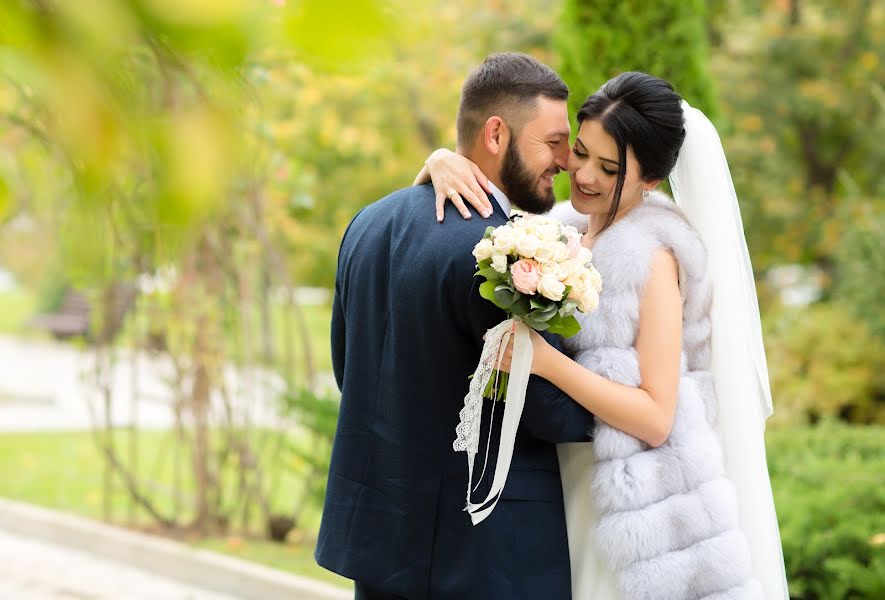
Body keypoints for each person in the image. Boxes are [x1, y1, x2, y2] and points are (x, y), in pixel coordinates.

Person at [422, 72, 789, 599]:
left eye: (610, 167)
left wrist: (547, 363)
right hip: (570, 483)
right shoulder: (566, 231)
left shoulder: (653, 258)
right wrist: (439, 160)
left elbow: (657, 417)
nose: (584, 175)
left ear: (653, 180)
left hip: (638, 511)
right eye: (580, 151)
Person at [315, 53, 596, 600]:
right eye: (553, 142)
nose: (565, 161)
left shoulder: (368, 223)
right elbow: (549, 412)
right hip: (486, 556)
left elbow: (348, 368)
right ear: (496, 134)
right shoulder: (503, 257)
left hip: (383, 545)